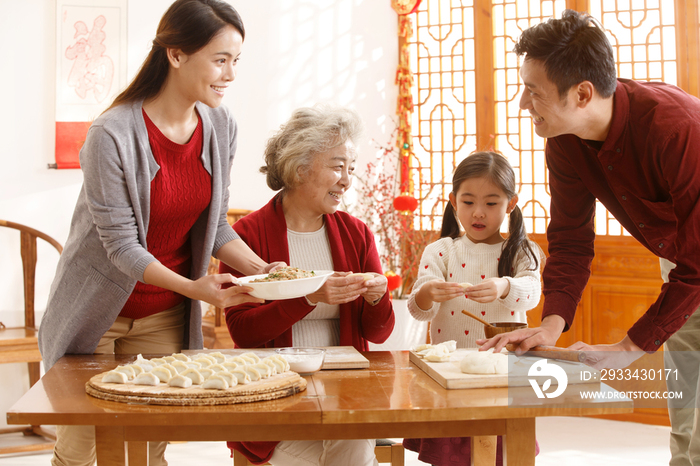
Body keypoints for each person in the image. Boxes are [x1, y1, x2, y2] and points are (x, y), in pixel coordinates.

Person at [38, 1, 282, 465]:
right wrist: (196, 288)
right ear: (175, 54)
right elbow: (120, 246)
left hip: (165, 315)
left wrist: (264, 271)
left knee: (149, 451)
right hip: (96, 313)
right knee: (81, 449)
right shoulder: (111, 134)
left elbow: (214, 225)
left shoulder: (220, 125)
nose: (230, 74)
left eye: (236, 61)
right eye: (220, 59)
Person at [477, 10, 700, 466]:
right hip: (683, 259)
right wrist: (553, 322)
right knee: (688, 397)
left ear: (582, 93)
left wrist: (626, 348)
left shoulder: (675, 129)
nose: (523, 103)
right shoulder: (564, 139)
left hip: (696, 256)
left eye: (533, 91)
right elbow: (571, 239)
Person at [221, 104, 395, 466]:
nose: (347, 180)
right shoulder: (247, 236)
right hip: (274, 395)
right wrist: (308, 298)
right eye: (337, 166)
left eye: (350, 168)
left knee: (353, 447)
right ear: (300, 169)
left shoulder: (356, 233)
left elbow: (378, 334)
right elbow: (243, 331)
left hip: (346, 394)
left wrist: (378, 298)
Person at [403, 151, 542, 466]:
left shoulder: (522, 250)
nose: (479, 213)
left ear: (511, 203)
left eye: (491, 203)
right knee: (449, 456)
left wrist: (503, 286)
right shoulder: (441, 250)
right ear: (453, 201)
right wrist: (427, 292)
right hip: (447, 376)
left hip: (501, 376)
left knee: (503, 454)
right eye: (468, 202)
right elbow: (418, 309)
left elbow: (532, 293)